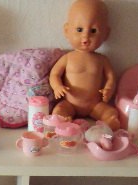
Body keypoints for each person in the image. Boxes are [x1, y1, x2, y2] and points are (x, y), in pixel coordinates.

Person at [49, 0, 120, 130]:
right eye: (79, 30)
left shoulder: (102, 59)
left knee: (110, 112)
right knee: (58, 111)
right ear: (67, 30)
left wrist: (109, 89)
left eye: (93, 30)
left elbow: (111, 77)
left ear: (105, 33)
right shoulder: (68, 58)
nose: (86, 37)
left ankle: (110, 123)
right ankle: (64, 122)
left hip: (94, 105)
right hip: (70, 104)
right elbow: (54, 74)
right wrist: (57, 87)